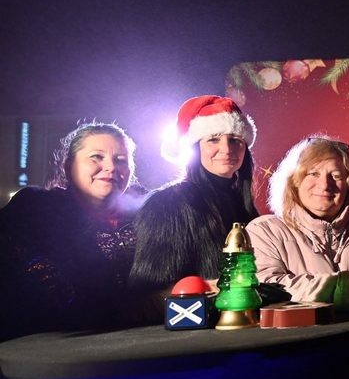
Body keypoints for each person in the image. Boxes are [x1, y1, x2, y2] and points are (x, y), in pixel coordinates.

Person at [0, 122, 146, 340]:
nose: (111, 167)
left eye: (120, 160)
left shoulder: (148, 214)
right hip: (50, 348)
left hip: (137, 345)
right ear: (69, 166)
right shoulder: (34, 210)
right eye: (96, 157)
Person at [246, 135, 349, 312]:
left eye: (336, 176)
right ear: (294, 181)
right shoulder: (265, 231)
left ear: (348, 185)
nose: (325, 185)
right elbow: (266, 290)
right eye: (313, 173)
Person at [130, 95, 259, 297]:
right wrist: (206, 288)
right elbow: (149, 293)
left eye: (235, 140)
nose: (226, 149)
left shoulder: (244, 206)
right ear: (195, 147)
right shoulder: (167, 205)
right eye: (213, 139)